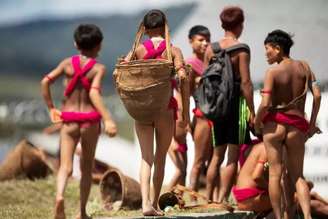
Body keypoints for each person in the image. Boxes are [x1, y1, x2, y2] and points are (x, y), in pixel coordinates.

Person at [41, 24, 117, 219]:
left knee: (65, 166)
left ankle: (59, 197)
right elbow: (94, 93)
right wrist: (108, 119)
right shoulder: (98, 68)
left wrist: (51, 108)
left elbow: (46, 81)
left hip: (69, 120)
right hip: (90, 120)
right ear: (99, 45)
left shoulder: (67, 63)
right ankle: (81, 212)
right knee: (86, 167)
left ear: (76, 44)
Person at [126, 10, 188, 216]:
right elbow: (183, 77)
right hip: (164, 110)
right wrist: (185, 112)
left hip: (142, 110)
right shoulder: (173, 51)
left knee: (146, 158)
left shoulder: (138, 50)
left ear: (144, 30)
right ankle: (155, 203)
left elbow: (122, 70)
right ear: (165, 27)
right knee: (160, 157)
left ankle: (145, 204)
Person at [254, 29, 321, 219]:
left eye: (267, 49)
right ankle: (307, 217)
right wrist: (312, 123)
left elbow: (266, 104)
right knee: (298, 176)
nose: (265, 53)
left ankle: (278, 216)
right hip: (297, 125)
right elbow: (316, 95)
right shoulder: (305, 67)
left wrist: (258, 121)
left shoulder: (272, 72)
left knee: (275, 174)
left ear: (277, 48)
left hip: (274, 125)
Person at [204, 6, 255, 202]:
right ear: (240, 25)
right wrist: (252, 111)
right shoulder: (241, 49)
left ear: (222, 24)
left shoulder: (211, 49)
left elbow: (207, 79)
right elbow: (246, 83)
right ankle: (222, 199)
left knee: (216, 156)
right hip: (236, 105)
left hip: (217, 107)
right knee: (232, 157)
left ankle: (208, 198)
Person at [168, 25, 211, 191]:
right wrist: (185, 118)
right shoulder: (190, 65)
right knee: (184, 168)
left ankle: (179, 199)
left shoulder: (207, 63)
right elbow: (183, 94)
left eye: (207, 39)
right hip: (187, 117)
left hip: (193, 116)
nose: (205, 43)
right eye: (200, 40)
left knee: (187, 168)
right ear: (190, 41)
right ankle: (161, 201)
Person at [232, 142, 271, 213]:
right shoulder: (265, 148)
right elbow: (256, 176)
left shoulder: (258, 146)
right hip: (248, 199)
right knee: (292, 199)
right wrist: (271, 188)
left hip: (243, 198)